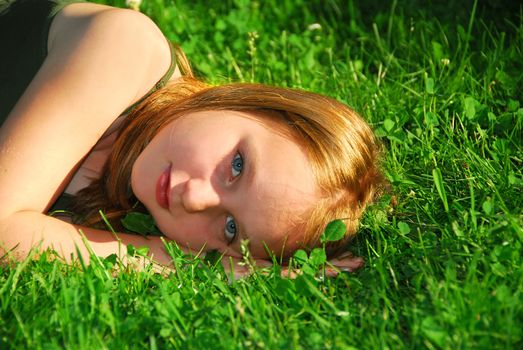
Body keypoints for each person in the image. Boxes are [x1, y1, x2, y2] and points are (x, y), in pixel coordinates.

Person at [0, 0, 383, 274]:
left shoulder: (131, 200)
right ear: (250, 103)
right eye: (236, 166)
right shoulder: (125, 48)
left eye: (230, 228)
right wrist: (172, 260)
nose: (196, 199)